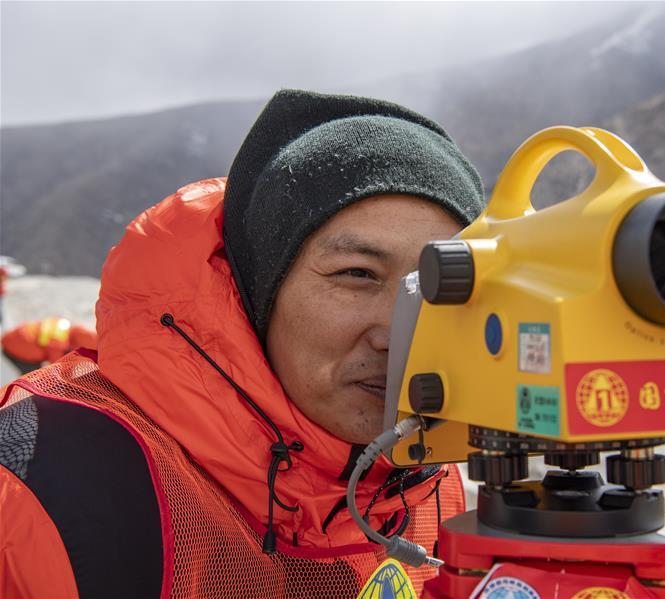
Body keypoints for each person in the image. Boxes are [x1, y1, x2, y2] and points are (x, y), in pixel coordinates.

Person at [0, 90, 485, 598]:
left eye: (437, 287)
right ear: (259, 287)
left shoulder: (425, 482)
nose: (396, 334)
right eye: (357, 274)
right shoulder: (43, 488)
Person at [1, 316, 98, 373]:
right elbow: (58, 370)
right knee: (35, 379)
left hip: (14, 337)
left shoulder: (65, 325)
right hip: (15, 348)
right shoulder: (58, 344)